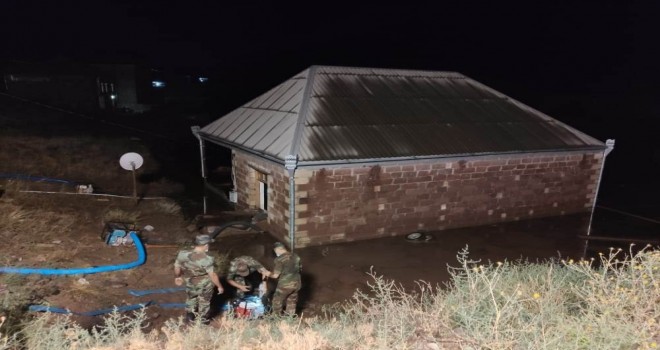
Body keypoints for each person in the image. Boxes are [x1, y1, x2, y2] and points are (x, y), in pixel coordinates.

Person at [174, 234, 223, 324]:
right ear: (206, 245)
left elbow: (177, 267)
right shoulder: (207, 259)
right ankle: (202, 321)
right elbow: (212, 275)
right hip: (204, 283)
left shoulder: (182, 254)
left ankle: (189, 318)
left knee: (191, 298)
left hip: (190, 281)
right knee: (204, 301)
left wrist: (178, 276)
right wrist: (219, 286)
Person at [269, 242, 302, 315]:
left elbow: (275, 275)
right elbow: (300, 269)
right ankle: (289, 319)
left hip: (285, 284)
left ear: (278, 249)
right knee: (292, 301)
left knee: (277, 301)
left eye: (275, 251)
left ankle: (276, 319)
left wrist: (267, 273)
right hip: (297, 283)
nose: (276, 253)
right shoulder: (296, 256)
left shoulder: (279, 259)